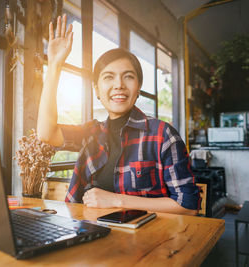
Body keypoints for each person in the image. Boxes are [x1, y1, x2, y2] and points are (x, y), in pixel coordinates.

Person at [37, 15, 199, 215]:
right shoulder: (91, 133)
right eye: (108, 77)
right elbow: (46, 133)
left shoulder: (162, 135)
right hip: (88, 234)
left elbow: (188, 206)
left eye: (128, 77)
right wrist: (54, 65)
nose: (119, 85)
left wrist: (116, 200)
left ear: (138, 88)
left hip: (147, 241)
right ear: (97, 89)